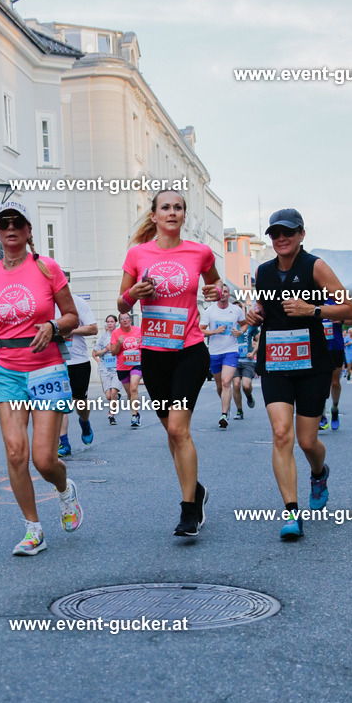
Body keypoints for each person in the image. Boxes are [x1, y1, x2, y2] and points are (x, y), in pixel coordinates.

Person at [0, 201, 82, 555]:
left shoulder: (47, 268)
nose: (11, 227)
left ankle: (65, 490)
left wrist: (52, 326)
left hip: (47, 368)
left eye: (18, 222)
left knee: (44, 460)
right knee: (16, 452)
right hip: (8, 371)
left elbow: (72, 316)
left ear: (29, 231)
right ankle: (34, 529)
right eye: (4, 223)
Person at [246, 209, 352, 539]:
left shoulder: (315, 266)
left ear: (301, 235)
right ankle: (292, 513)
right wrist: (256, 313)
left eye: (288, 233)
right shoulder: (263, 272)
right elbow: (266, 308)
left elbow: (349, 311)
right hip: (276, 362)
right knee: (282, 434)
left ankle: (319, 472)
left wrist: (313, 310)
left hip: (312, 365)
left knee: (307, 441)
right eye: (275, 233)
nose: (281, 238)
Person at [117, 189, 220, 536]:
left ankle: (188, 510)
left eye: (178, 207)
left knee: (179, 429)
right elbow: (121, 304)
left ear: (183, 215)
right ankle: (197, 491)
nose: (172, 212)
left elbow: (217, 287)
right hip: (154, 355)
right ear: (155, 215)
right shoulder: (137, 254)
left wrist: (217, 293)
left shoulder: (200, 252)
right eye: (166, 207)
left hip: (190, 350)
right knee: (172, 433)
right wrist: (134, 295)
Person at [200, 285, 248, 426]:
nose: (223, 294)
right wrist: (214, 331)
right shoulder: (210, 311)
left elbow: (244, 324)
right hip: (215, 352)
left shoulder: (236, 310)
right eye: (220, 292)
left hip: (231, 351)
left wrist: (240, 332)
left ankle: (224, 415)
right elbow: (201, 330)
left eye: (225, 292)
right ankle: (226, 404)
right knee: (220, 385)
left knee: (227, 382)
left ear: (229, 295)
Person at [57, 293, 97, 456]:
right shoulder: (44, 303)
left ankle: (85, 422)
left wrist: (70, 330)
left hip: (78, 362)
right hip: (55, 362)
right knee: (60, 403)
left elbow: (93, 328)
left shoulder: (77, 302)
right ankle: (64, 443)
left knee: (80, 403)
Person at [319, 298, 350, 431]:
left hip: (336, 345)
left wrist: (340, 320)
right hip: (319, 346)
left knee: (335, 382)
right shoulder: (312, 295)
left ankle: (335, 409)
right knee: (319, 381)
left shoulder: (337, 298)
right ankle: (322, 415)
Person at [109, 312, 144, 427]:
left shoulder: (138, 330)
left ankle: (134, 416)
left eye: (126, 318)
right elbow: (113, 352)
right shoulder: (116, 333)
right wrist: (119, 343)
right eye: (122, 319)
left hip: (136, 364)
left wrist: (141, 343)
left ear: (130, 320)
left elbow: (146, 345)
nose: (124, 320)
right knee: (129, 393)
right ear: (119, 322)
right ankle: (135, 412)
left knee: (134, 387)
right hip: (122, 366)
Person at [93, 314, 120, 424]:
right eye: (108, 322)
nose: (110, 324)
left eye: (112, 321)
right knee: (109, 395)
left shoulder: (119, 335)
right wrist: (105, 350)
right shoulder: (102, 338)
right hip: (105, 369)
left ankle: (111, 415)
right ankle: (116, 397)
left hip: (118, 368)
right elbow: (94, 353)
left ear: (116, 323)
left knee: (113, 391)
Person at [232, 325, 259, 418]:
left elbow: (260, 340)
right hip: (233, 360)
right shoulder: (230, 323)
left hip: (248, 360)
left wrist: (253, 352)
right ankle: (239, 411)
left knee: (246, 386)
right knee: (236, 384)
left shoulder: (250, 325)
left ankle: (249, 397)